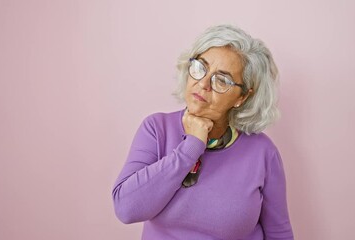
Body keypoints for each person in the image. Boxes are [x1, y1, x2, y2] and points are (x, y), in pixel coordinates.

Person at [112, 24, 293, 240]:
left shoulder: (263, 152)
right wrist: (190, 147)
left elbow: (279, 233)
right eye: (201, 67)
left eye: (222, 80)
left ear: (242, 97)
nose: (203, 83)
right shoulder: (156, 129)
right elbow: (126, 209)